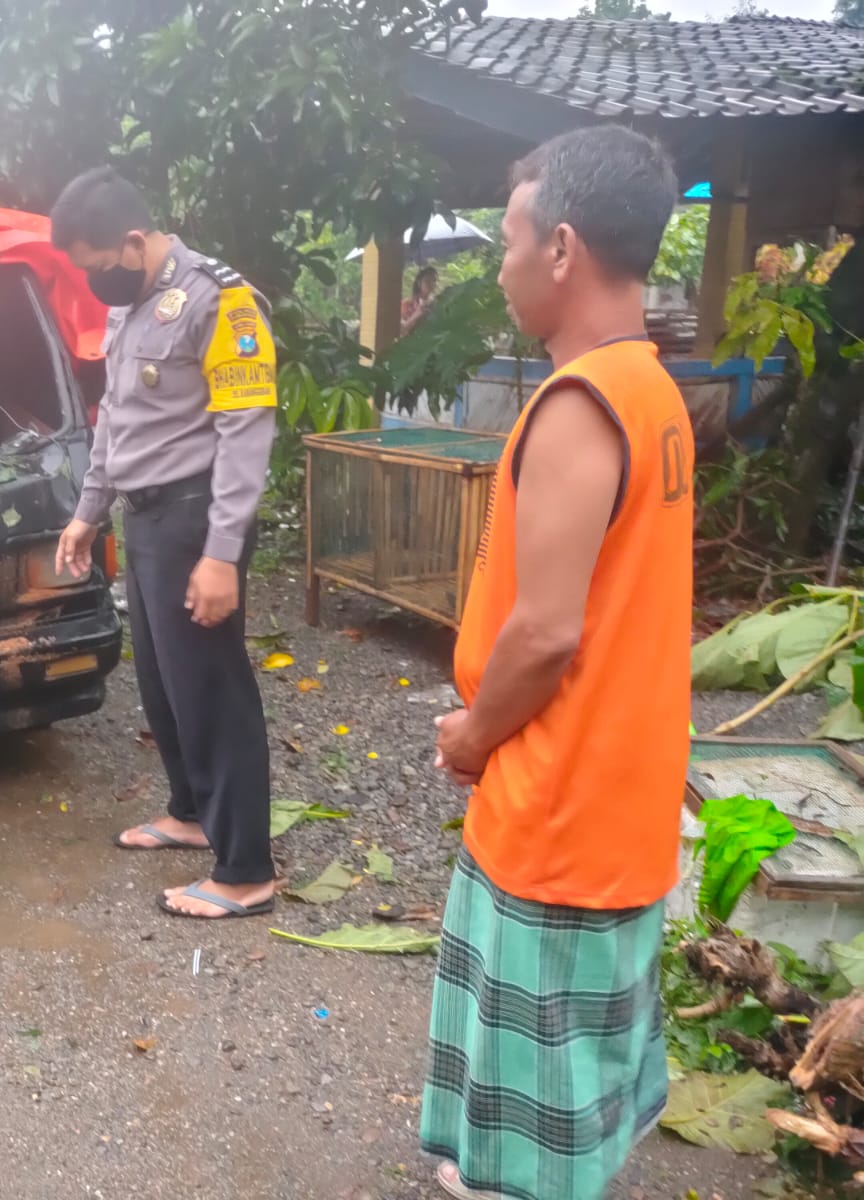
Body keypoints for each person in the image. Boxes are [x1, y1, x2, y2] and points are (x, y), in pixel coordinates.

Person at [423, 125, 693, 1200]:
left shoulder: (578, 406)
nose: (501, 266)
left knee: (537, 1110)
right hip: (619, 791)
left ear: (563, 248)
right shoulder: (650, 391)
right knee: (583, 1080)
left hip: (556, 803)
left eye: (508, 240)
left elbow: (545, 634)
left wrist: (470, 736)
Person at [49, 166, 278, 921]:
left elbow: (246, 432)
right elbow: (116, 417)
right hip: (144, 518)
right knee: (163, 681)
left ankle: (245, 871)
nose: (95, 283)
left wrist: (222, 552)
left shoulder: (220, 301)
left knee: (211, 688)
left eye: (97, 266)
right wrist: (89, 510)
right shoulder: (132, 304)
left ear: (133, 240)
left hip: (194, 519)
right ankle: (191, 813)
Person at [400, 266, 439, 335]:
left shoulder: (438, 303)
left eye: (434, 280)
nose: (432, 284)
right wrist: (417, 314)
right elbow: (401, 331)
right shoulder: (406, 304)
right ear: (419, 282)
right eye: (427, 280)